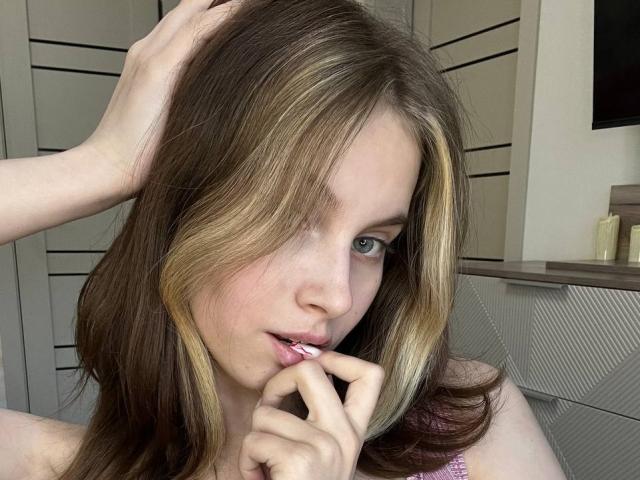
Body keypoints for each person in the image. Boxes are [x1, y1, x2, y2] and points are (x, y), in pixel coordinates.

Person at [0, 0, 567, 479]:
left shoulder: (467, 424)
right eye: (292, 219)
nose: (337, 297)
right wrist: (104, 165)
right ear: (185, 213)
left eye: (369, 243)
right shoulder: (56, 465)